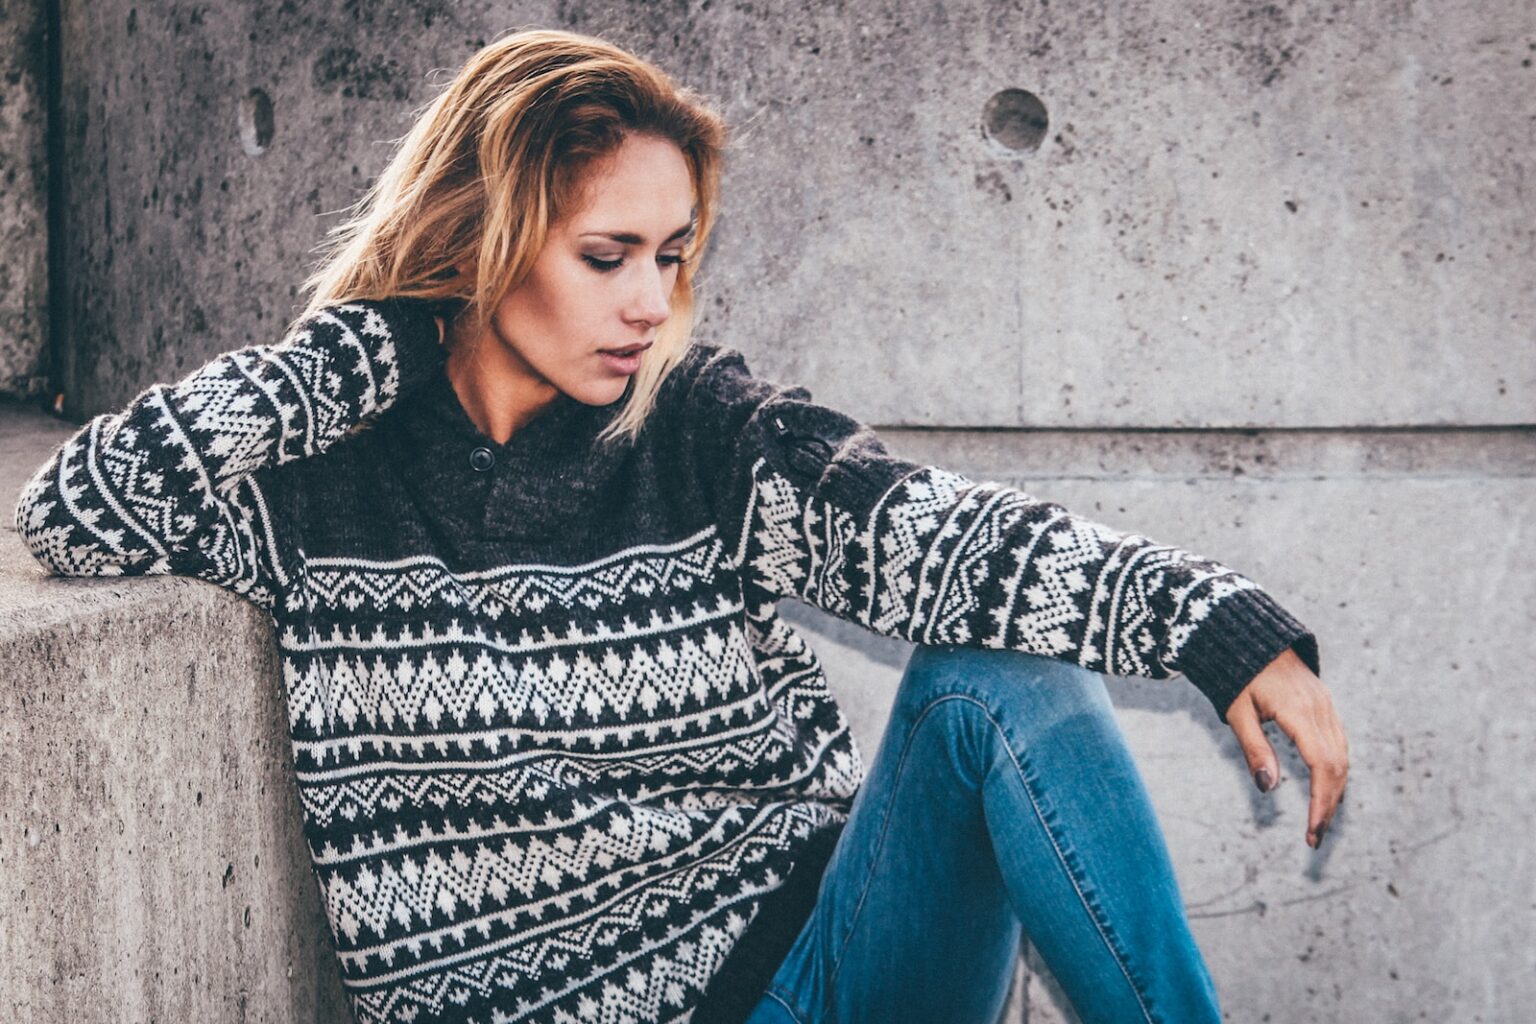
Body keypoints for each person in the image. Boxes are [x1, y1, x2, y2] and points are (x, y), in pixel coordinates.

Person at [13, 27, 1348, 1024]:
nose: (651, 302)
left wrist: (1210, 625)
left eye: (672, 253)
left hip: (823, 974)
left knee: (996, 672)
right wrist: (366, 350)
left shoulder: (696, 431)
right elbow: (81, 511)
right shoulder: (321, 484)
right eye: (607, 256)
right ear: (480, 239)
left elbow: (928, 535)